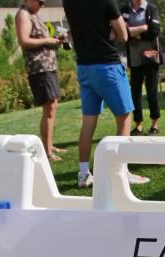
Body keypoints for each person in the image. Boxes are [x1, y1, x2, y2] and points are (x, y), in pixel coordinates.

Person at [62, 0, 148, 188]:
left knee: (88, 122)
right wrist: (112, 29)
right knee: (124, 118)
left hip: (84, 67)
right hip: (107, 66)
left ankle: (83, 174)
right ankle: (121, 173)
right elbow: (123, 36)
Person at [16, 0, 66, 161]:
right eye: (41, 2)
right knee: (49, 108)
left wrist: (55, 40)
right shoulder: (24, 14)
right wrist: (47, 40)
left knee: (52, 106)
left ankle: (49, 145)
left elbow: (39, 40)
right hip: (39, 69)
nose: (42, 6)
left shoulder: (32, 15)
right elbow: (24, 41)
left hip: (48, 68)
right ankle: (46, 151)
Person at [122, 0, 162, 136]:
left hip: (150, 57)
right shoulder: (125, 9)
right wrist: (143, 27)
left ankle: (154, 125)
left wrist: (135, 34)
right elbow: (123, 31)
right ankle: (138, 125)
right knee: (135, 94)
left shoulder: (151, 8)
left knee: (152, 92)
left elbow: (155, 31)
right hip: (134, 59)